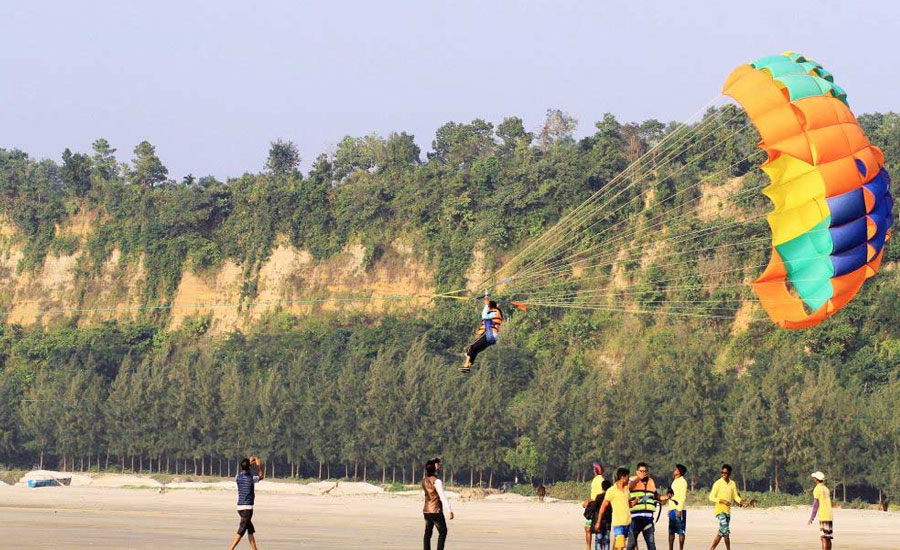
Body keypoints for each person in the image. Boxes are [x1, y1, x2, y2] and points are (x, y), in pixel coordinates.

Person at [627, 462, 668, 550]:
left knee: (651, 545)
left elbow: (655, 495)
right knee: (631, 545)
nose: (643, 473)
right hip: (635, 519)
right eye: (641, 471)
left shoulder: (651, 481)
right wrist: (638, 478)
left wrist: (664, 497)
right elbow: (628, 487)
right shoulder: (632, 480)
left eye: (645, 471)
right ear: (637, 472)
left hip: (648, 519)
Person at [707, 464, 748, 550]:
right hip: (720, 510)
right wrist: (722, 500)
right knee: (725, 529)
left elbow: (735, 496)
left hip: (728, 511)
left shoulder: (732, 483)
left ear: (729, 473)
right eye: (722, 472)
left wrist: (741, 501)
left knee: (723, 532)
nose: (723, 474)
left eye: (725, 473)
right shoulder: (717, 483)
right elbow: (711, 497)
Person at [228, 456, 264, 550]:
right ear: (249, 467)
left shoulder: (237, 477)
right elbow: (261, 476)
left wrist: (248, 462)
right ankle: (230, 548)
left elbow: (244, 467)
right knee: (241, 530)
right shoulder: (251, 478)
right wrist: (258, 465)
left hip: (239, 508)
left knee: (250, 530)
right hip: (248, 508)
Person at [460, 295, 503, 373]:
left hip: (489, 334)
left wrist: (486, 304)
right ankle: (468, 366)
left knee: (472, 347)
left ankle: (466, 364)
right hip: (493, 338)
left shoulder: (495, 311)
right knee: (475, 350)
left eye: (488, 307)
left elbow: (484, 316)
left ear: (491, 307)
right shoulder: (497, 313)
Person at [597, 467, 632, 550]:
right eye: (627, 477)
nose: (628, 479)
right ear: (623, 478)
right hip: (618, 523)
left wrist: (637, 501)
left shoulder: (627, 489)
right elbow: (603, 506)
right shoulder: (611, 490)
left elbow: (629, 504)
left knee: (618, 545)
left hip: (628, 522)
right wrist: (598, 521)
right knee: (620, 546)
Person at [423, 458, 454, 550]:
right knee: (443, 531)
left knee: (428, 533)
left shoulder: (424, 480)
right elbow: (442, 496)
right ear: (435, 467)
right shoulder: (437, 481)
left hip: (426, 510)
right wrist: (449, 510)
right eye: (438, 465)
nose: (439, 467)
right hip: (435, 510)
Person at [808, 471, 833, 550]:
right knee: (828, 537)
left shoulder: (817, 489)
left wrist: (812, 518)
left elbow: (815, 505)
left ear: (816, 479)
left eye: (814, 478)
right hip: (829, 515)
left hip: (823, 515)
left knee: (823, 537)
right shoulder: (826, 489)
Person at [584, 463, 606, 550]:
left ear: (596, 470)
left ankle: (590, 547)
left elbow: (600, 495)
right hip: (593, 505)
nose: (593, 470)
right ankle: (589, 547)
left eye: (594, 469)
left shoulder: (600, 480)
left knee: (591, 528)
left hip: (595, 506)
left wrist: (590, 501)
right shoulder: (596, 479)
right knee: (588, 527)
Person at [667, 464, 688, 550]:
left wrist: (679, 510)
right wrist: (669, 509)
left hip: (679, 509)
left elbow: (683, 497)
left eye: (675, 469)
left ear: (679, 471)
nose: (674, 470)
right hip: (672, 509)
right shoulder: (675, 481)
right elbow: (672, 496)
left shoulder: (683, 482)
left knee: (680, 531)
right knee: (671, 531)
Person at [591, 480, 613, 550]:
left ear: (602, 487)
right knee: (606, 540)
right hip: (608, 521)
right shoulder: (611, 498)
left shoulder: (599, 496)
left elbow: (594, 508)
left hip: (599, 521)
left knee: (598, 540)